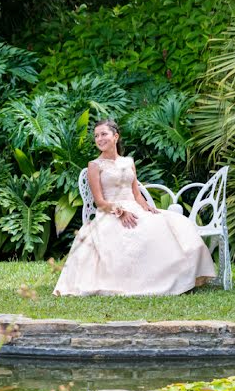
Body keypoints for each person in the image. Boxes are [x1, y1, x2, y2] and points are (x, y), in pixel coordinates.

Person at [53, 119, 216, 296]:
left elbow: (136, 193)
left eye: (104, 134)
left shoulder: (128, 162)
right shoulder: (94, 165)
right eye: (96, 136)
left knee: (170, 224)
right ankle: (138, 283)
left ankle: (178, 276)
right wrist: (119, 211)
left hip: (135, 207)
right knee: (136, 233)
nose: (99, 139)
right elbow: (99, 201)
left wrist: (147, 207)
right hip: (110, 211)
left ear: (116, 136)